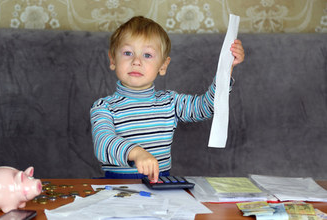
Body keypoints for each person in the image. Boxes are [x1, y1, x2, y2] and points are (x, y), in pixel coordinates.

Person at [90, 16, 245, 182]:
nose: (136, 61)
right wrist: (136, 153)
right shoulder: (103, 107)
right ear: (113, 59)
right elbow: (103, 144)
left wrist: (226, 69)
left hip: (160, 186)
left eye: (147, 55)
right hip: (117, 187)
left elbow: (205, 107)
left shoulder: (171, 102)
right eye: (128, 53)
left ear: (163, 66)